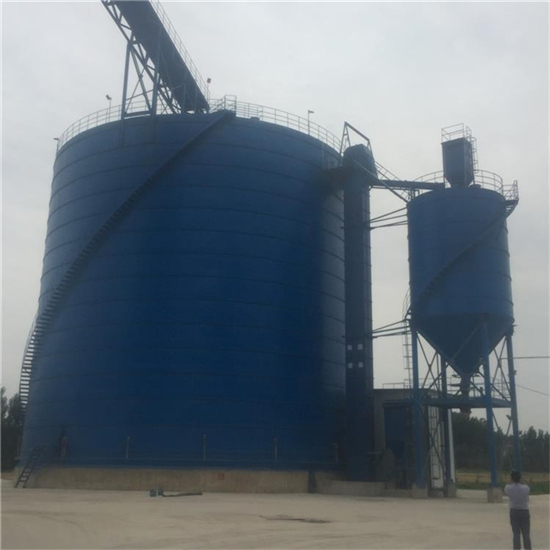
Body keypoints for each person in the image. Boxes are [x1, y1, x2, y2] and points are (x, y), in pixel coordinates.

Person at [504, 470, 532, 550]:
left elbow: (506, 487)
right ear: (520, 478)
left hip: (514, 511)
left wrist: (509, 480)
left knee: (516, 534)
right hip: (524, 511)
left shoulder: (509, 488)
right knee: (526, 534)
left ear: (511, 478)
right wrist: (523, 480)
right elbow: (529, 486)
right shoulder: (525, 488)